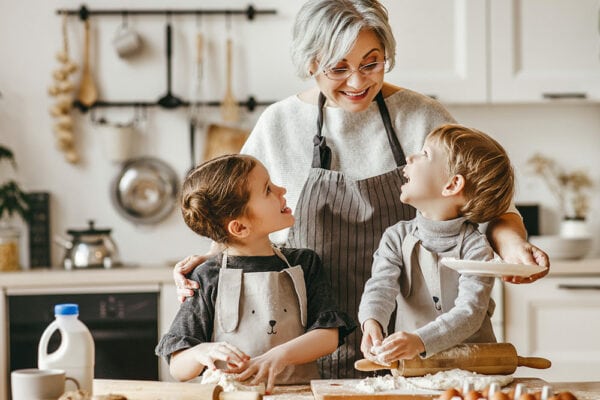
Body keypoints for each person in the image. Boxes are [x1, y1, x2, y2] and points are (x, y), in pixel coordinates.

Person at [172, 0, 549, 378]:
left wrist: (514, 245)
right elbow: (238, 216)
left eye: (372, 63)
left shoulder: (422, 116)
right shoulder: (279, 124)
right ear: (310, 64)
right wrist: (209, 261)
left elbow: (490, 204)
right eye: (339, 68)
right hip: (307, 343)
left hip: (420, 343)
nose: (357, 82)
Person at [155, 154, 356, 393]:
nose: (281, 190)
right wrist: (201, 352)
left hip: (298, 395)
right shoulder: (207, 277)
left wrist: (278, 356)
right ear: (239, 227)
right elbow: (177, 367)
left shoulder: (304, 263)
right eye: (268, 190)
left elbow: (328, 336)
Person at [358, 124, 513, 363]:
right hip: (413, 367)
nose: (410, 157)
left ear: (452, 185)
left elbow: (470, 313)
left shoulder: (476, 248)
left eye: (425, 154)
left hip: (472, 368)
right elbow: (381, 286)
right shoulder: (396, 237)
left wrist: (419, 341)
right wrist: (372, 321)